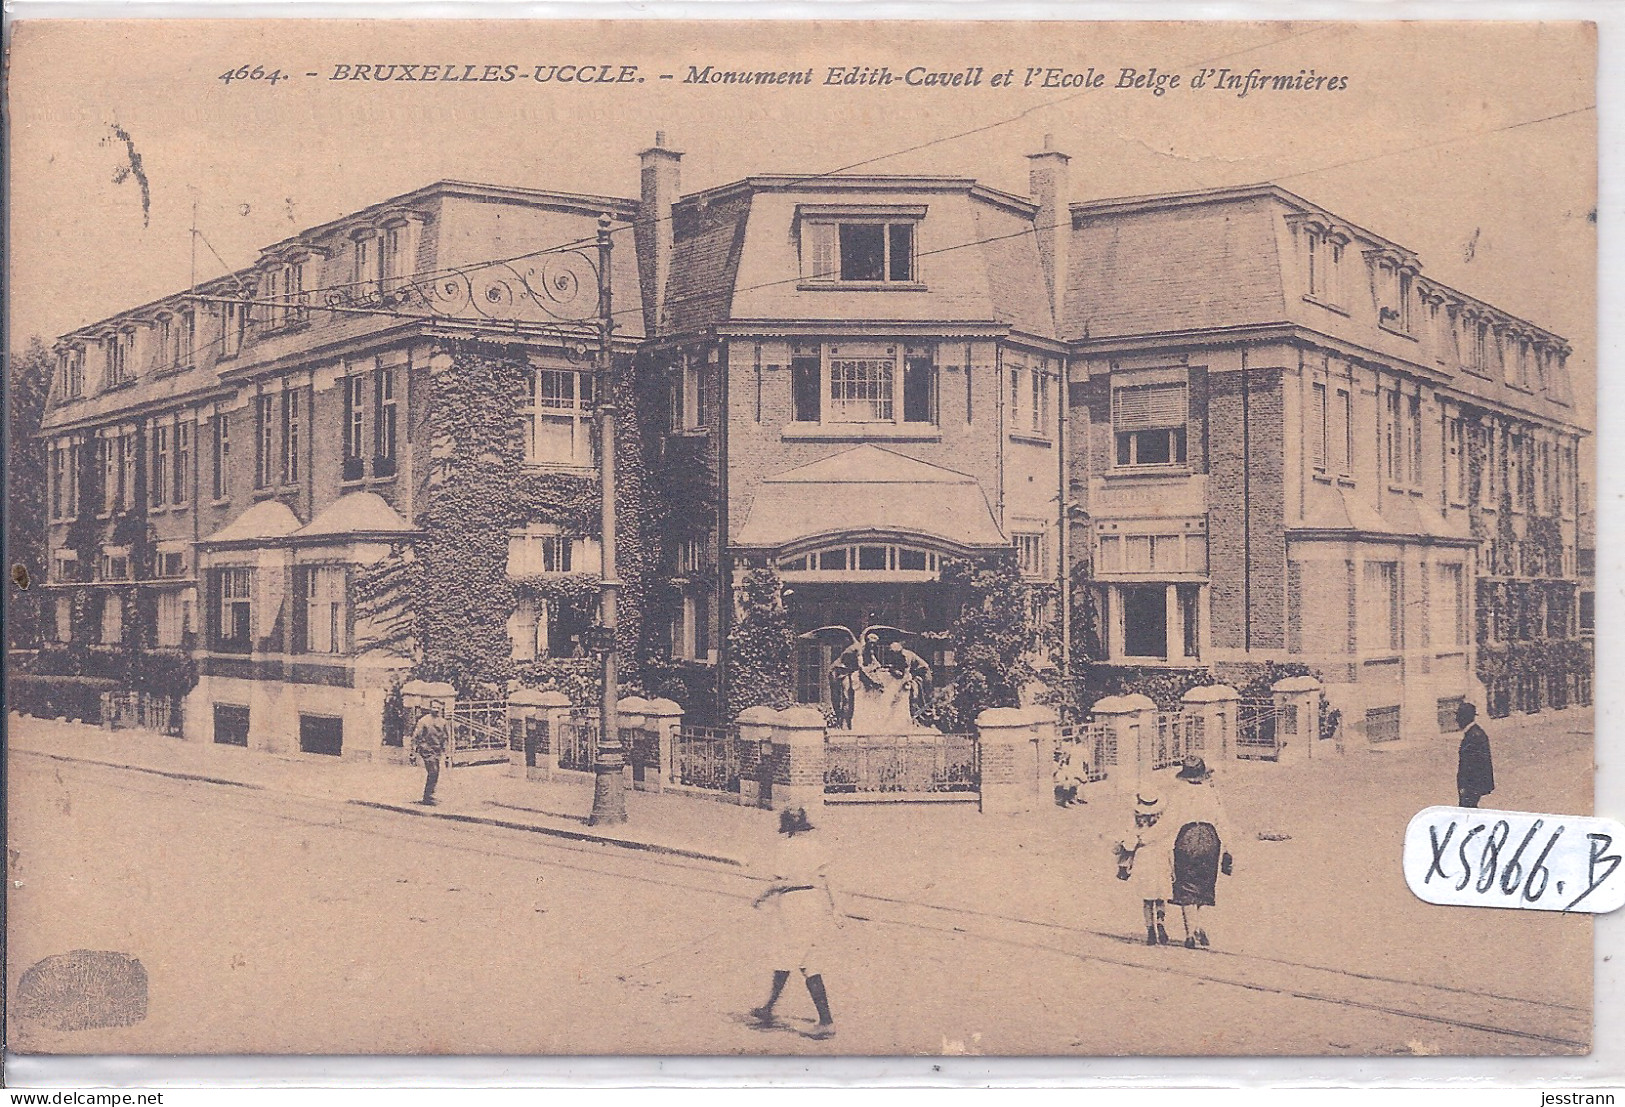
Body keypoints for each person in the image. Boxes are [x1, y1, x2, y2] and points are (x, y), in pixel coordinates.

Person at [750, 807, 843, 1039]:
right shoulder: (817, 847)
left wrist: (760, 897)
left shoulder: (785, 848)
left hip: (792, 905)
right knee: (794, 956)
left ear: (787, 829)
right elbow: (829, 880)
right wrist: (836, 909)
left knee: (800, 960)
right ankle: (769, 1008)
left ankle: (826, 1021)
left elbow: (780, 882)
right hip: (813, 903)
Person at [1169, 756, 1233, 949]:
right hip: (1209, 837)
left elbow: (1170, 821)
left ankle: (1189, 933)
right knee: (1204, 884)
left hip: (1186, 836)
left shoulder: (1179, 793)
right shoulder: (1212, 793)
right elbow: (1222, 821)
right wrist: (1228, 847)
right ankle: (1200, 925)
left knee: (1186, 884)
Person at [1117, 792, 1174, 945]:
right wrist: (1172, 868)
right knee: (1161, 897)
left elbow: (1128, 844)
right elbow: (1170, 847)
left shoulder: (1136, 826)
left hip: (1143, 860)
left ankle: (1150, 930)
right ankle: (1161, 922)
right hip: (1161, 859)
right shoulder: (1163, 825)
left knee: (1147, 899)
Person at [411, 701, 452, 806]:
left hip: (437, 750)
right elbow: (416, 737)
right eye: (434, 707)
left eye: (438, 708)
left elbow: (446, 739)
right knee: (433, 771)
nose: (436, 709)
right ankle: (428, 797)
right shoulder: (424, 721)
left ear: (441, 709)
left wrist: (447, 754)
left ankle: (429, 796)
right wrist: (413, 752)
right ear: (430, 708)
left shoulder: (443, 722)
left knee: (435, 772)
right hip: (427, 750)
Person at [1456, 702, 1495, 808]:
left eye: (1459, 717)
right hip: (1473, 785)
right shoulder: (1475, 733)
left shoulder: (1474, 736)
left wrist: (1465, 787)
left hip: (1472, 785)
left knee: (1467, 810)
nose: (1457, 720)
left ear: (1465, 718)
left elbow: (1472, 765)